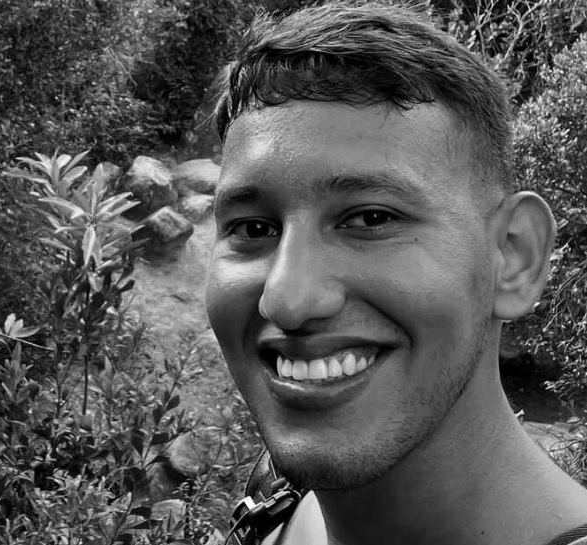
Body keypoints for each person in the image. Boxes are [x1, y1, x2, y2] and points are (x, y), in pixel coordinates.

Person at [204, 2, 587, 544]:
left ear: (513, 257)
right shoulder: (271, 507)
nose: (287, 300)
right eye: (253, 228)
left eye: (371, 219)